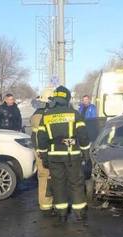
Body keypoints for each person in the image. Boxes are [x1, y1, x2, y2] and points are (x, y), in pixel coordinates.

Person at [35, 85, 90, 223]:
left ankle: (62, 214)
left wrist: (43, 156)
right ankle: (79, 213)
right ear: (67, 98)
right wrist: (86, 153)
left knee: (58, 184)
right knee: (76, 183)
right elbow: (83, 135)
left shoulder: (46, 116)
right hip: (73, 155)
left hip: (54, 156)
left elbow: (41, 138)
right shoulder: (74, 114)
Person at [30, 98, 53, 212]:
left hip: (39, 149)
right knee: (46, 176)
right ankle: (46, 203)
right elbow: (41, 136)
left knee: (44, 176)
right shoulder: (42, 115)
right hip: (42, 150)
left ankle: (45, 203)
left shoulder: (37, 113)